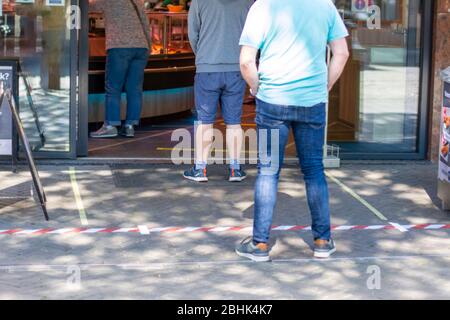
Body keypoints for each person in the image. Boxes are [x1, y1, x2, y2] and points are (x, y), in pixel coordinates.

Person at [236, 0, 350, 261]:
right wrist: (326, 86)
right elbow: (341, 53)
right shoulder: (325, 6)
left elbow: (246, 61)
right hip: (312, 101)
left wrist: (256, 88)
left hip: (273, 100)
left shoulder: (263, 6)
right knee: (313, 170)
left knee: (268, 170)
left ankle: (260, 245)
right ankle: (322, 240)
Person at [184, 0, 254, 182]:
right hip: (236, 68)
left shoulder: (199, 2)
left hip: (207, 67)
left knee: (205, 121)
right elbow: (254, 35)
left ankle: (200, 169)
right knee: (234, 122)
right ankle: (235, 169)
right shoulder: (248, 3)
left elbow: (193, 33)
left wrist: (203, 55)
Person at [89, 0, 151, 139]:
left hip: (119, 45)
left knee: (113, 88)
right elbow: (145, 23)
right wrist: (149, 46)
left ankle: (110, 125)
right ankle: (130, 126)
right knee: (134, 89)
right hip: (141, 47)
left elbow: (86, 6)